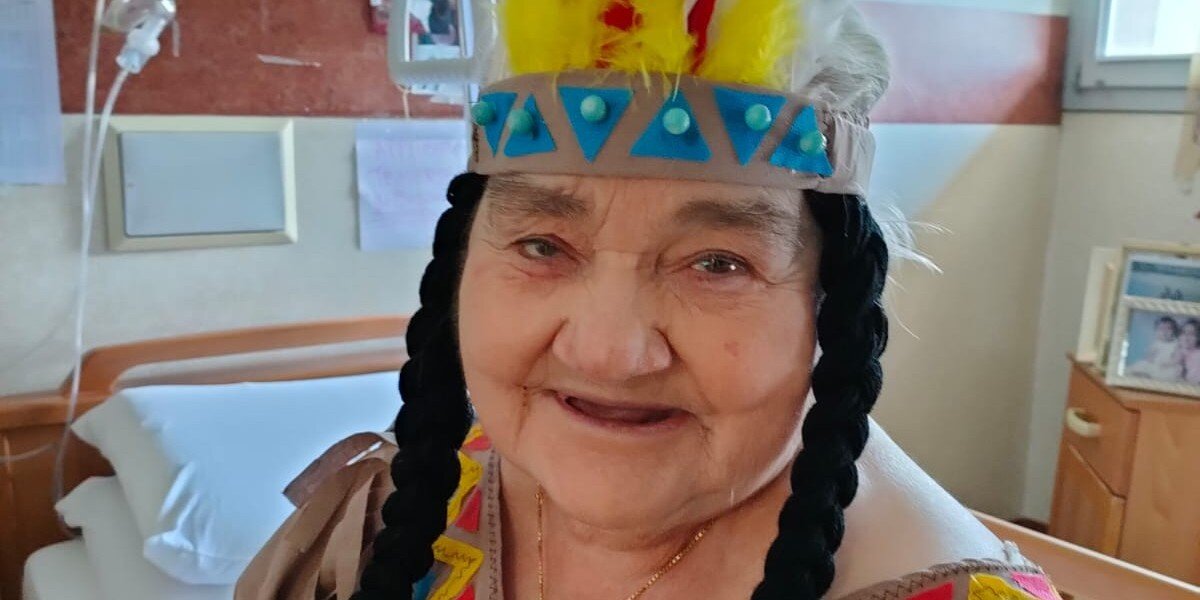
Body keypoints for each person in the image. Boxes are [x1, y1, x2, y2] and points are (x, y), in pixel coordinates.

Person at [236, 1, 1064, 599]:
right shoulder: (415, 499)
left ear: (830, 301)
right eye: (542, 246)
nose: (606, 353)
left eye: (718, 263)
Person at [1128, 316, 1184, 382]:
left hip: (1168, 366)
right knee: (1142, 364)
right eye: (1161, 329)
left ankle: (1156, 378)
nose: (1164, 332)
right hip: (1155, 365)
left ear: (1174, 331)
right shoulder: (1156, 343)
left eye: (1168, 328)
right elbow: (1149, 356)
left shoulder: (1176, 344)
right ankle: (1144, 376)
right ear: (1156, 331)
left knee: (1176, 371)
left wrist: (1169, 364)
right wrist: (1149, 358)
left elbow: (1178, 358)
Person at [1181, 319, 1200, 385]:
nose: (1186, 337)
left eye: (1191, 334)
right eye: (1184, 333)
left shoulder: (1198, 355)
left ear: (1198, 337)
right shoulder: (1181, 351)